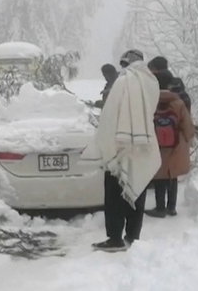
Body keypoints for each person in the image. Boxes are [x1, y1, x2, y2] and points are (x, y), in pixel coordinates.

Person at [84, 49, 161, 252]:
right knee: (138, 187)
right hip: (144, 144)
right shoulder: (151, 82)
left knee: (114, 193)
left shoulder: (124, 81)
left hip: (120, 145)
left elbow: (111, 115)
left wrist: (106, 141)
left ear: (126, 63)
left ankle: (115, 238)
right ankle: (133, 236)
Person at [146, 70, 195, 218]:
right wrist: (187, 138)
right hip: (176, 145)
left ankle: (160, 208)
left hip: (156, 144)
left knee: (159, 176)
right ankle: (171, 207)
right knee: (172, 176)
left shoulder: (150, 102)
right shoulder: (178, 103)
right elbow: (188, 126)